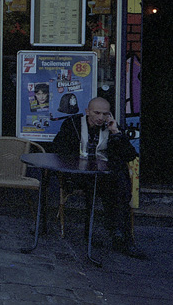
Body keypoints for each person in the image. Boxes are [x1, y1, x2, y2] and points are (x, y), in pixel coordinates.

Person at [52, 97, 144, 259]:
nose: (100, 117)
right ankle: (108, 233)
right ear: (87, 112)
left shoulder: (110, 128)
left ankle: (122, 237)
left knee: (120, 186)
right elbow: (58, 148)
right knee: (106, 188)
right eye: (96, 113)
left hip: (103, 177)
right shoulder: (73, 124)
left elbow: (130, 155)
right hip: (78, 175)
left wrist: (115, 132)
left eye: (105, 113)